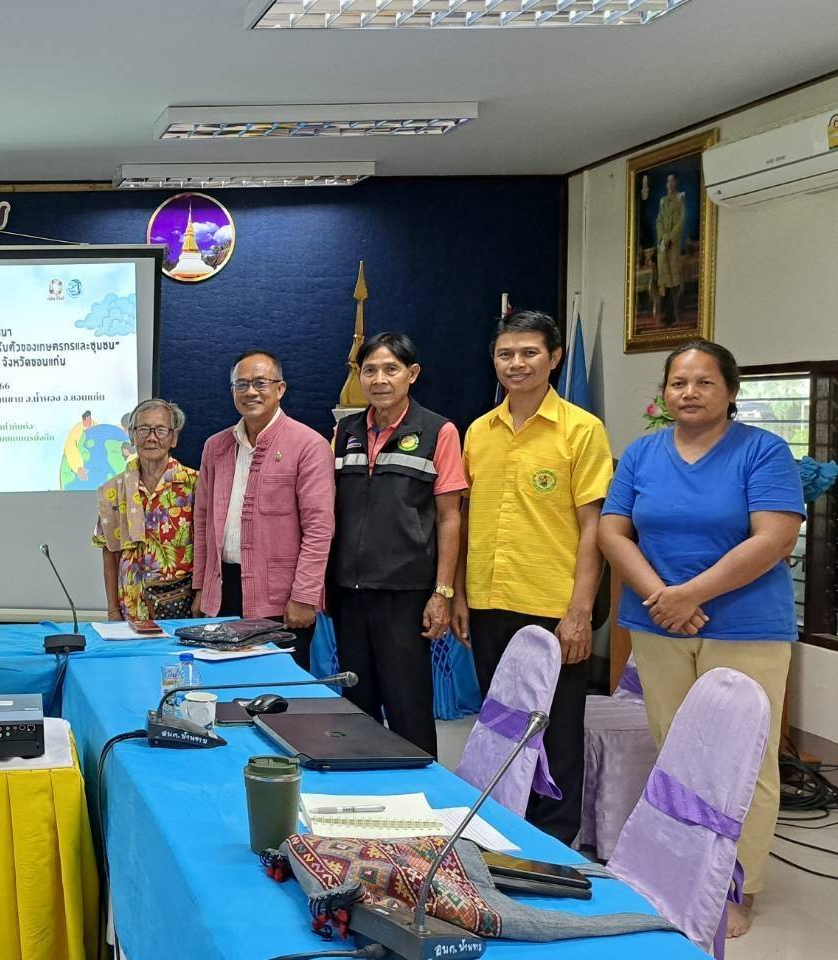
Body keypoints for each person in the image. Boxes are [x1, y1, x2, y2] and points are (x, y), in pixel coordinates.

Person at [598, 340, 804, 938]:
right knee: (677, 754)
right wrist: (663, 597)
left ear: (731, 391)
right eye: (678, 382)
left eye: (704, 382)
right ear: (664, 392)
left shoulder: (763, 451)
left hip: (745, 627)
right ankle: (685, 872)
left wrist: (691, 595)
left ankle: (739, 887)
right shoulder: (642, 453)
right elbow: (613, 531)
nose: (689, 392)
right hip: (658, 623)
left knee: (745, 762)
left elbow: (774, 538)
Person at [458, 310, 612, 845]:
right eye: (506, 354)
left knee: (558, 730)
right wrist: (458, 594)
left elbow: (594, 528)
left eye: (529, 353)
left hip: (552, 604)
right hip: (488, 598)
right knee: (500, 723)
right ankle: (506, 824)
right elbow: (466, 517)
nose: (516, 363)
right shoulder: (479, 431)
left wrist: (580, 610)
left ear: (555, 357)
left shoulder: (581, 430)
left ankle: (555, 839)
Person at [328, 332, 466, 756]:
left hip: (406, 593)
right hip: (348, 592)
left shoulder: (438, 431)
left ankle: (423, 789)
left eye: (391, 369)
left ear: (412, 373)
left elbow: (449, 517)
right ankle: (361, 785)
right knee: (356, 706)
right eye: (369, 370)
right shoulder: (344, 431)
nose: (380, 379)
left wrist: (442, 592)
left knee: (409, 706)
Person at [193, 349, 334, 668]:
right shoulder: (215, 447)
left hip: (282, 599)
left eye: (260, 383)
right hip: (223, 592)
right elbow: (202, 523)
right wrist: (202, 587)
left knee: (277, 687)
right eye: (241, 384)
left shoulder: (309, 445)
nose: (250, 392)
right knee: (225, 682)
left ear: (280, 388)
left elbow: (319, 529)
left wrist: (304, 596)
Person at [94, 399, 199, 620]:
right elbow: (110, 553)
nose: (151, 437)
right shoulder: (113, 490)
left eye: (160, 430)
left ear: (174, 437)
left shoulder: (195, 484)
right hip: (131, 610)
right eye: (143, 429)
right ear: (132, 436)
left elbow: (207, 550)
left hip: (182, 607)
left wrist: (202, 597)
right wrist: (112, 609)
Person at [655, 173, 687, 325]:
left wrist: (670, 238)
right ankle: (666, 314)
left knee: (674, 278)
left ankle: (674, 313)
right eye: (668, 181)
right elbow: (659, 221)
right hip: (663, 245)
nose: (670, 184)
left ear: (676, 182)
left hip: (673, 244)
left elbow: (681, 220)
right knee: (664, 278)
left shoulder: (680, 198)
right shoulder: (662, 201)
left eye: (672, 181)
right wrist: (663, 237)